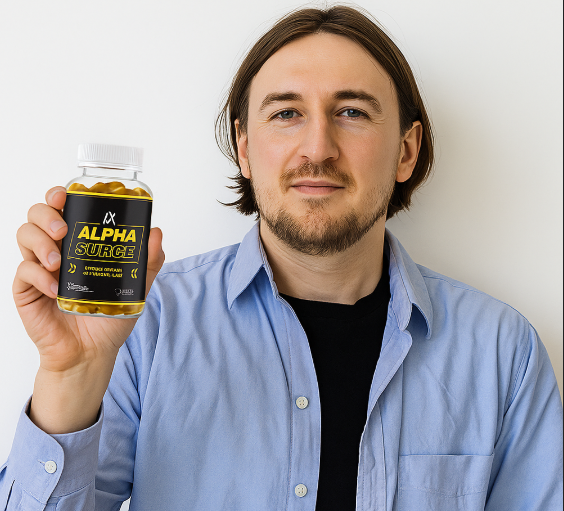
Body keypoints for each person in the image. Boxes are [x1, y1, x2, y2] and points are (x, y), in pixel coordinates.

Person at [1, 5, 562, 511]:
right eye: (287, 113)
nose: (317, 148)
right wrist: (71, 375)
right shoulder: (145, 323)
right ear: (245, 149)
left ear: (406, 151)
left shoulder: (502, 353)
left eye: (352, 112)